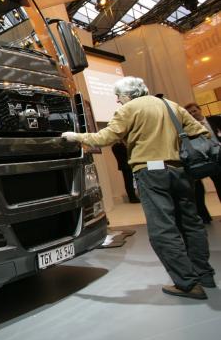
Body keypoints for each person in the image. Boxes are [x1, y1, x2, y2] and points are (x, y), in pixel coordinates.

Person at [62, 77, 216, 299]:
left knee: (163, 229)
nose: (117, 100)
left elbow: (104, 138)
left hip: (151, 173)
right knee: (191, 223)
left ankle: (188, 284)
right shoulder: (170, 105)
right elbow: (202, 133)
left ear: (128, 95)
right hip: (181, 171)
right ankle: (205, 275)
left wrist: (75, 136)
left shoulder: (129, 109)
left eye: (118, 96)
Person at [185, 102, 221, 223]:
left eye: (194, 111)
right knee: (198, 189)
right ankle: (204, 217)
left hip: (218, 156)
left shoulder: (215, 120)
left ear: (199, 110)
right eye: (189, 113)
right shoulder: (188, 128)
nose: (193, 114)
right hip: (202, 160)